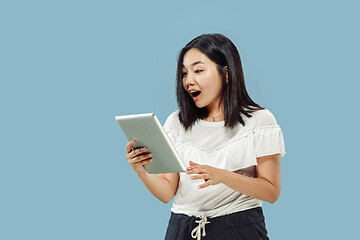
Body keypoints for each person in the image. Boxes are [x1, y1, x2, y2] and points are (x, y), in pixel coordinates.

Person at [125, 33, 286, 240]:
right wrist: (142, 172)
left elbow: (271, 191)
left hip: (238, 227)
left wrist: (222, 176)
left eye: (198, 70)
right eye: (184, 73)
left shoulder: (259, 121)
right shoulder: (176, 123)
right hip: (181, 228)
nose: (188, 81)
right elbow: (167, 192)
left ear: (226, 73)